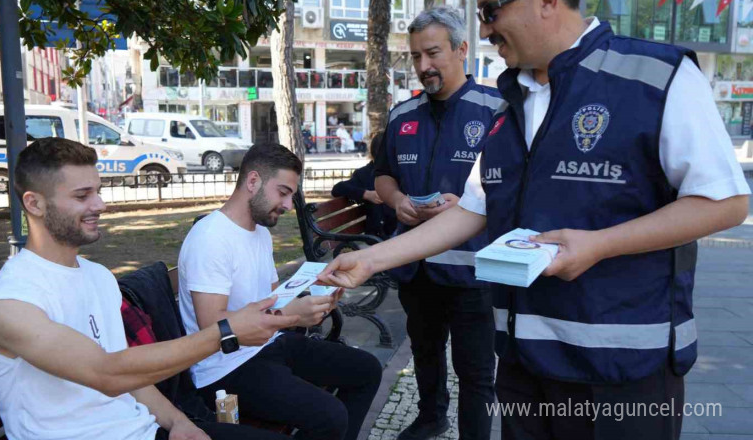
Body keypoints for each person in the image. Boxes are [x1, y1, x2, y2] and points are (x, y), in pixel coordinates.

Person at [319, 0, 752, 437]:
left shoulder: (656, 76)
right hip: (522, 365)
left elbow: (725, 201)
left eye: (490, 11)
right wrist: (373, 261)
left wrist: (601, 245)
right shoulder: (511, 104)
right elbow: (474, 207)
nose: (485, 30)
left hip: (620, 368)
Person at [0, 137, 299, 440]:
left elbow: (130, 376)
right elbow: (106, 372)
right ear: (33, 203)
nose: (100, 205)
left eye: (98, 190)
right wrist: (225, 332)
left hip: (143, 429)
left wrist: (179, 421)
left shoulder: (98, 276)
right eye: (82, 195)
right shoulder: (7, 304)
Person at [178, 143, 383, 440]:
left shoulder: (259, 232)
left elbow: (275, 298)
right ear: (252, 181)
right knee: (331, 416)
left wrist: (315, 298)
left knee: (367, 369)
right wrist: (289, 317)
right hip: (225, 368)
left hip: (268, 344)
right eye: (283, 192)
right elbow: (212, 326)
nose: (288, 205)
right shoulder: (210, 237)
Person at [371, 7, 504, 440]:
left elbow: (514, 185)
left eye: (433, 53)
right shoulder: (401, 115)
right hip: (417, 267)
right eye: (415, 56)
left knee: (475, 370)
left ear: (461, 49)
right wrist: (395, 201)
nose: (424, 66)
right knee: (425, 354)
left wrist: (467, 205)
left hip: (472, 269)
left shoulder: (496, 110)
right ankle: (431, 418)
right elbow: (384, 173)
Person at [331, 131, 397, 239]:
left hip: (399, 231)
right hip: (379, 235)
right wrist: (366, 194)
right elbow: (337, 189)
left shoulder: (400, 172)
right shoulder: (365, 174)